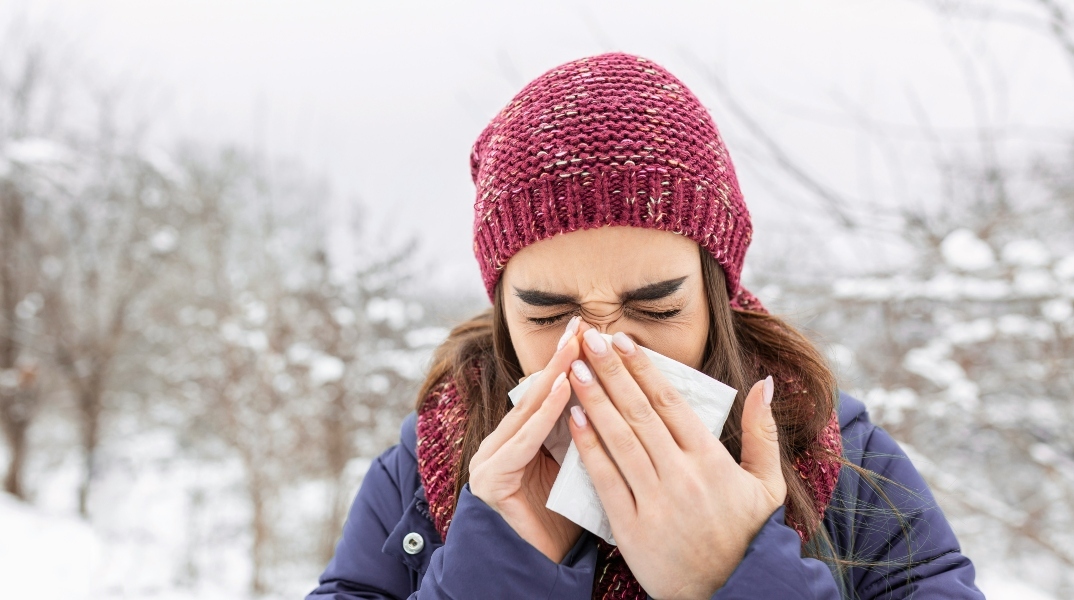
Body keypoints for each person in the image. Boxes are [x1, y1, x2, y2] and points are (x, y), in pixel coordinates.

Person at [307, 52, 985, 599]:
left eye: (657, 308)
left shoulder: (836, 448)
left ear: (717, 293)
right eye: (547, 314)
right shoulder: (425, 465)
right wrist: (497, 571)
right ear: (501, 310)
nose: (606, 348)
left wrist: (736, 575)